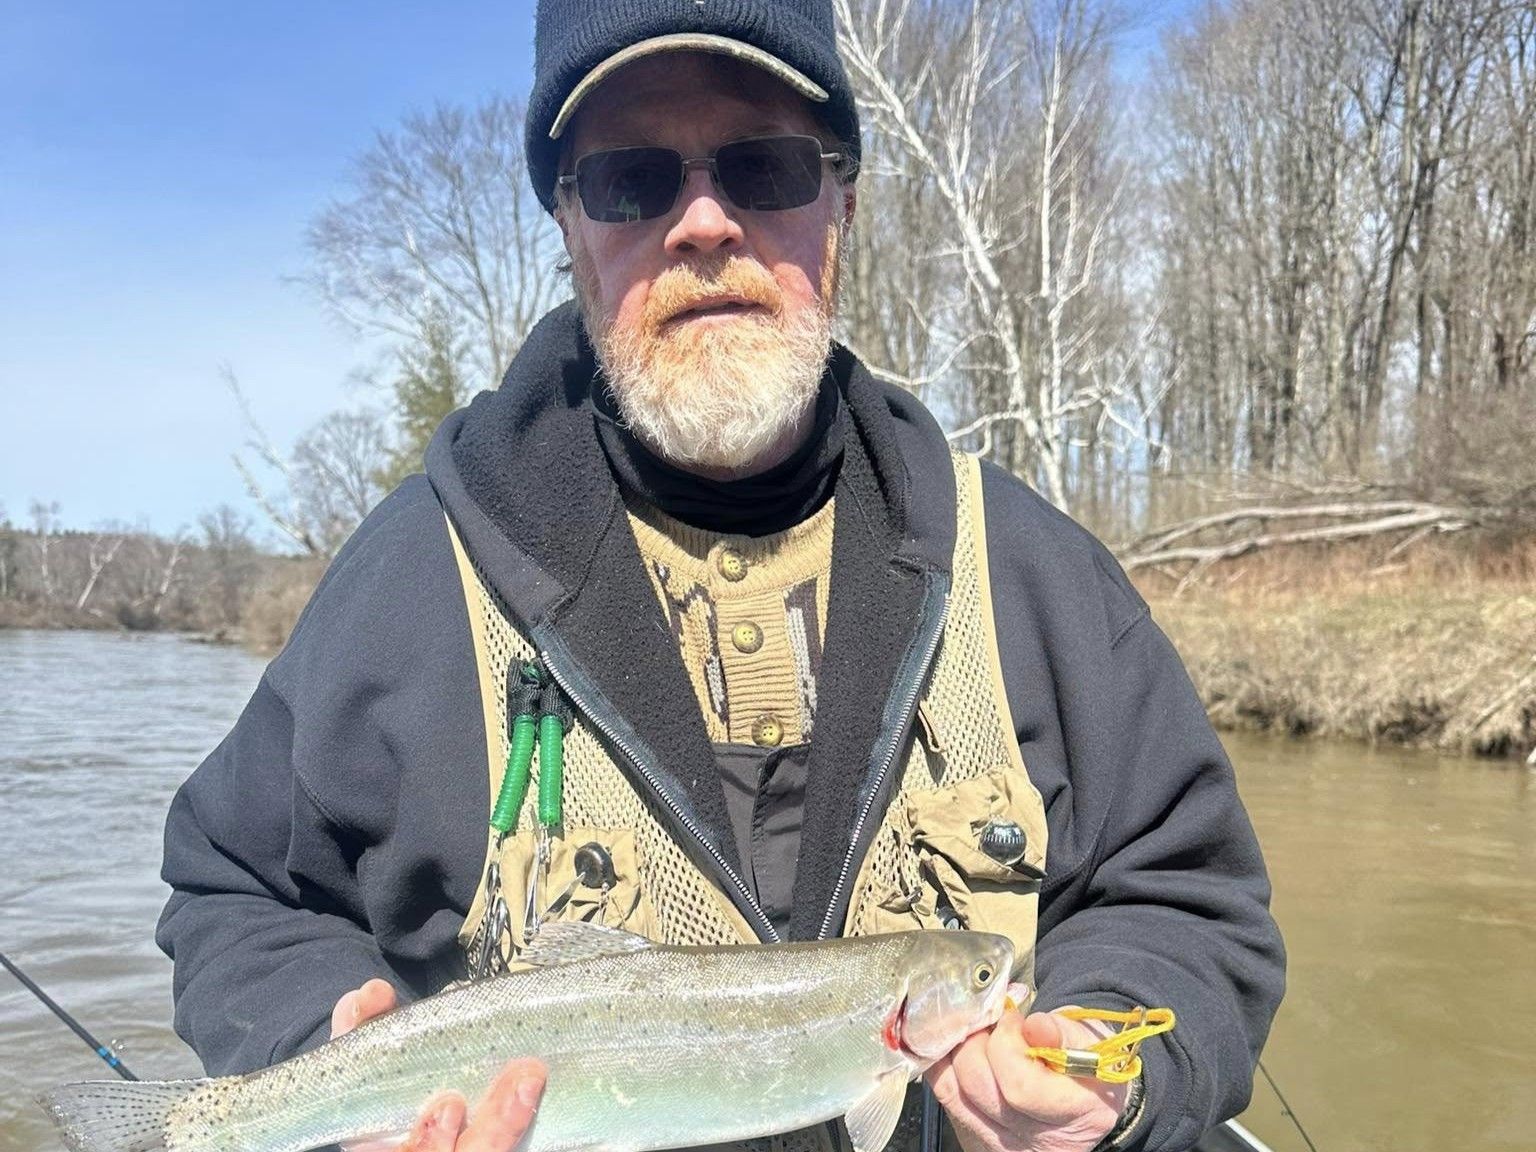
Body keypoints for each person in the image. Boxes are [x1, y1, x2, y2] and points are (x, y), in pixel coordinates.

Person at [158, 2, 1285, 1151]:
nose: (704, 223)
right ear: (568, 222)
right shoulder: (408, 578)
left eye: (766, 166)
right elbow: (239, 890)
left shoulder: (1034, 574)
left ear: (841, 202)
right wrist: (317, 1051)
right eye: (631, 181)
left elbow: (1185, 903)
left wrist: (1113, 1071)